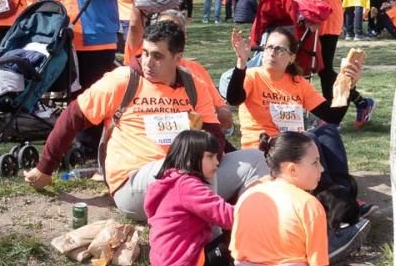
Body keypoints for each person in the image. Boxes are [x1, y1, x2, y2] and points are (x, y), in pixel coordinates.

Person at [26, 19, 267, 221]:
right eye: (145, 53)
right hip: (137, 182)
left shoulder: (195, 86)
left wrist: (201, 162)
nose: (148, 63)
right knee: (183, 171)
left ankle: (249, 224)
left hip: (191, 175)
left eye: (158, 56)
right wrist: (45, 168)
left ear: (177, 58)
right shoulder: (123, 80)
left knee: (255, 159)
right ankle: (214, 223)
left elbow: (215, 138)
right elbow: (73, 117)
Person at [217, 131, 396, 266]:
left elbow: (237, 255)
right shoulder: (308, 205)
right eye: (315, 163)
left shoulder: (248, 195)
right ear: (292, 169)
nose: (322, 170)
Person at [227, 27, 364, 148]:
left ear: (291, 58)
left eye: (280, 49)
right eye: (269, 47)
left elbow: (332, 117)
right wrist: (241, 63)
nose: (272, 52)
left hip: (293, 148)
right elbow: (234, 99)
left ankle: (337, 178)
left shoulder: (298, 83)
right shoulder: (252, 76)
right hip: (261, 147)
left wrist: (349, 86)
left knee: (328, 134)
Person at [299, 0, 376, 125]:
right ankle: (357, 103)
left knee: (324, 69)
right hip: (311, 20)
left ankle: (336, 113)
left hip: (328, 21)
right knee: (313, 67)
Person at [144, 130, 236, 266]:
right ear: (192, 157)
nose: (217, 162)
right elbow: (229, 217)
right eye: (210, 156)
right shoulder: (188, 185)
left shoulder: (168, 181)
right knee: (238, 230)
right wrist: (254, 207)